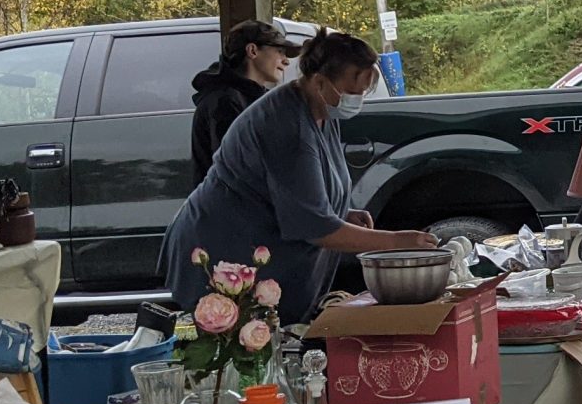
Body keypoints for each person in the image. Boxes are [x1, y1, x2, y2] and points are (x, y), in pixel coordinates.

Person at [162, 28, 436, 327]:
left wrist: (341, 214)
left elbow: (299, 193)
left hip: (255, 248)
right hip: (222, 251)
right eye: (354, 91)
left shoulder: (320, 110)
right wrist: (397, 242)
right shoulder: (286, 125)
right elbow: (316, 227)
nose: (357, 100)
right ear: (319, 82)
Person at [192, 20, 301, 185]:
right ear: (252, 51)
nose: (286, 61)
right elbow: (237, 169)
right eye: (279, 51)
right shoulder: (224, 102)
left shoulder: (252, 98)